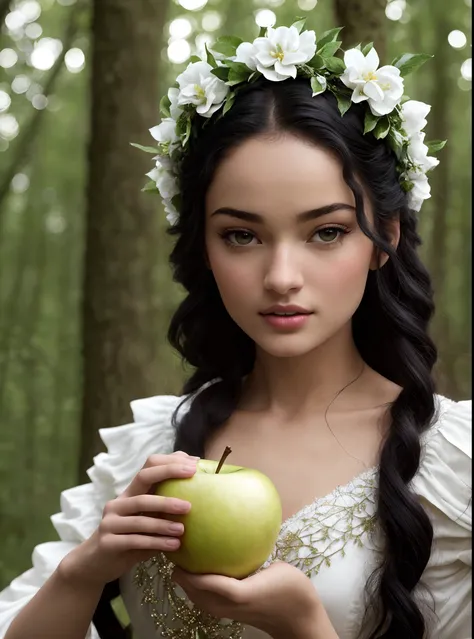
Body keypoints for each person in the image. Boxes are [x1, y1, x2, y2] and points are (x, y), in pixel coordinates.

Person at [0, 19, 471, 639]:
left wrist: (305, 624)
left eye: (325, 231)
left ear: (384, 236)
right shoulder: (149, 450)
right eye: (241, 235)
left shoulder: (451, 464)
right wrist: (82, 574)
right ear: (204, 244)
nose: (281, 277)